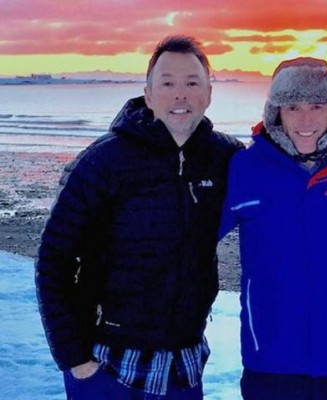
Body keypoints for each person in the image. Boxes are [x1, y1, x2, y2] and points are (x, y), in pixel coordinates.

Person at [35, 35, 244, 399]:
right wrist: (74, 358)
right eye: (168, 84)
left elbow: (284, 159)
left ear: (209, 94)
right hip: (106, 367)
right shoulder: (103, 162)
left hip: (183, 368)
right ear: (148, 95)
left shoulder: (224, 156)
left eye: (192, 83)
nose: (180, 95)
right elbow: (53, 258)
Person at [219, 57, 327, 400]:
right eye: (292, 106)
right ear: (276, 112)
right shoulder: (246, 168)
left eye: (317, 106)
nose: (306, 119)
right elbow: (190, 236)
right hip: (271, 360)